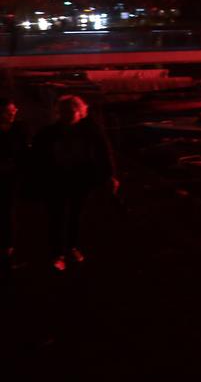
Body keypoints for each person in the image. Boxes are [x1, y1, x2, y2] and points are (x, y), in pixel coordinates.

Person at [30, 95, 117, 271]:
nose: (67, 115)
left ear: (80, 112)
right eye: (64, 112)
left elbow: (104, 153)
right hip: (57, 179)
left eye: (71, 111)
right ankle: (58, 252)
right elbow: (37, 158)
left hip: (80, 178)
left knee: (75, 214)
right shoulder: (49, 133)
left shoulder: (91, 131)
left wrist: (110, 175)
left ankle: (71, 247)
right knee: (57, 215)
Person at [0, 98, 27, 273]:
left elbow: (24, 152)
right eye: (9, 112)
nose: (12, 114)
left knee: (9, 211)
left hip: (12, 176)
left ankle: (8, 250)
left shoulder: (19, 129)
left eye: (14, 111)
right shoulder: (17, 130)